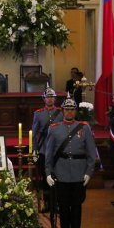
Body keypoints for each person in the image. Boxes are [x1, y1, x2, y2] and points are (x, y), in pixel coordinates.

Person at [45, 96, 96, 228]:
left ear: (75, 111)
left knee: (77, 205)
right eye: (66, 109)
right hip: (61, 173)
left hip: (79, 173)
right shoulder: (54, 128)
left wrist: (89, 172)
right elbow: (49, 153)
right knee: (63, 205)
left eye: (71, 109)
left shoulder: (84, 127)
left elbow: (91, 153)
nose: (69, 112)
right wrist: (48, 172)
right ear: (62, 111)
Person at [32, 84, 63, 212]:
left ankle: (56, 203)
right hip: (44, 148)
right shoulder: (38, 114)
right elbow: (34, 133)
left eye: (52, 97)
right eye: (47, 97)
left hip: (57, 148)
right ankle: (47, 203)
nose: (50, 99)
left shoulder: (61, 112)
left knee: (58, 176)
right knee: (45, 177)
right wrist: (34, 149)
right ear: (43, 99)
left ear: (55, 99)